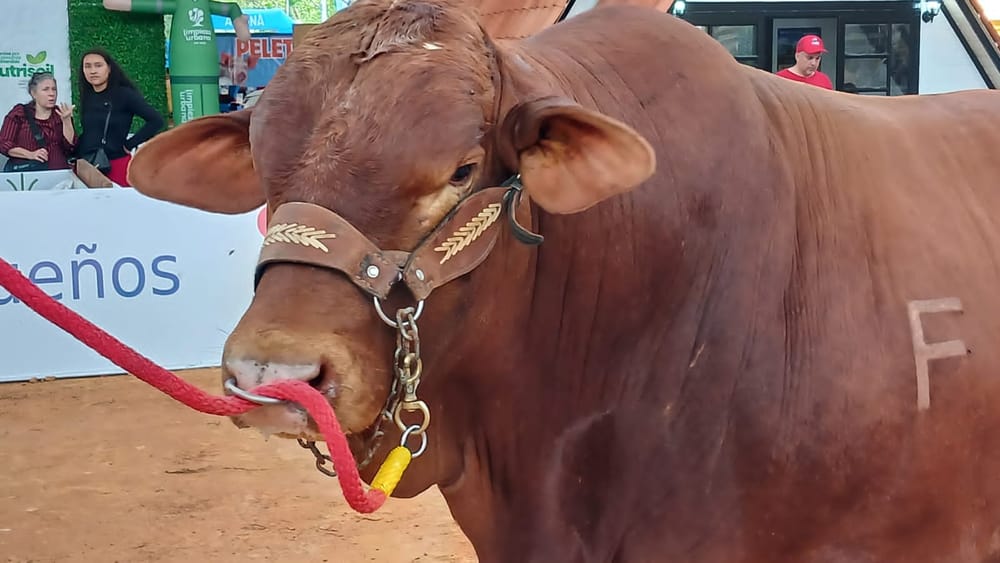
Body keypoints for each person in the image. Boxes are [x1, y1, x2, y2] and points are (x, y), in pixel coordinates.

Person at [76, 48, 164, 186]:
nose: (92, 71)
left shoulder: (124, 95)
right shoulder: (87, 95)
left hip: (116, 165)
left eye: (98, 65)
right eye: (87, 66)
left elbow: (156, 121)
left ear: (109, 68)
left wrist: (130, 144)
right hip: (89, 165)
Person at [0, 72, 76, 172]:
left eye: (54, 89)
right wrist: (30, 154)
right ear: (33, 93)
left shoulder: (60, 114)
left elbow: (70, 147)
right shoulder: (19, 113)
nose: (51, 93)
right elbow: (4, 143)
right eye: (46, 89)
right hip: (28, 174)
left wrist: (67, 121)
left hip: (58, 175)